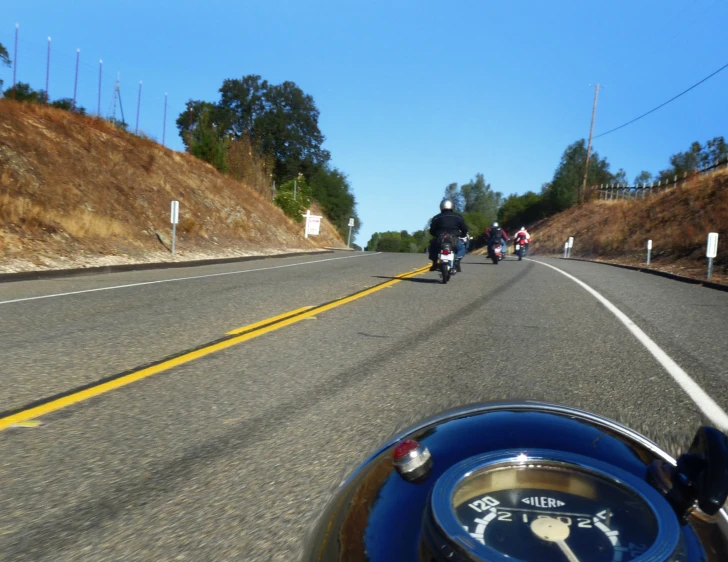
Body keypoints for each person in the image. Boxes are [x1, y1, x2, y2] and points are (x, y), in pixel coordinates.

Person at [428, 199, 468, 272]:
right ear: (452, 206)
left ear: (441, 206)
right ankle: (457, 260)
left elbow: (432, 230)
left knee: (432, 247)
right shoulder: (458, 217)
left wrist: (435, 235)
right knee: (462, 248)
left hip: (440, 239)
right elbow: (464, 228)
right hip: (454, 239)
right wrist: (463, 234)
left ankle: (434, 263)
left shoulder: (436, 217)